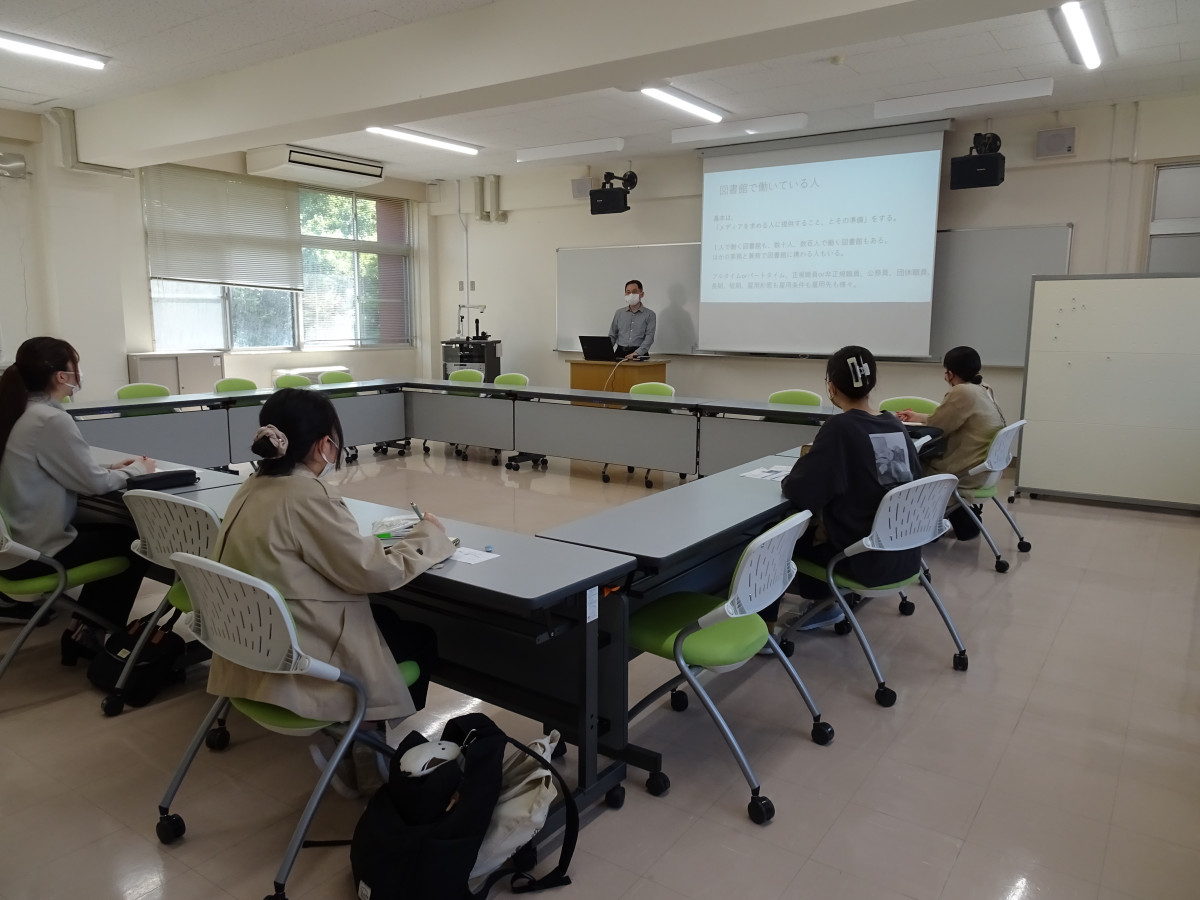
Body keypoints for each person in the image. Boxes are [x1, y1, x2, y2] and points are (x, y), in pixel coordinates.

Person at [208, 388, 455, 772]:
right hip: (302, 655)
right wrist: (429, 536)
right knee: (420, 638)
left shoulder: (250, 487)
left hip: (254, 646)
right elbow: (374, 572)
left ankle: (359, 739)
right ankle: (365, 745)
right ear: (324, 444)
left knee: (387, 621)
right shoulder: (307, 496)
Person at [0, 336, 154, 662]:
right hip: (35, 556)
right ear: (61, 376)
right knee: (133, 539)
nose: (77, 376)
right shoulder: (50, 419)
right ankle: (89, 634)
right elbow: (94, 485)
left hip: (12, 551)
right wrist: (139, 468)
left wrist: (111, 466)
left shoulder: (16, 412)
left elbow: (50, 467)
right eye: (75, 368)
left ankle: (84, 630)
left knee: (111, 532)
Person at [761, 345, 922, 637]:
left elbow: (802, 491)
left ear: (831, 387)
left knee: (771, 537)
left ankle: (764, 632)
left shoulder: (841, 428)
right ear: (871, 383)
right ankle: (824, 605)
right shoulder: (894, 424)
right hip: (903, 552)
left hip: (861, 560)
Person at [896, 346, 1005, 539]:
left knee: (913, 462)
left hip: (966, 471)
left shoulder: (962, 392)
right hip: (986, 468)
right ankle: (959, 519)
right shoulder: (983, 389)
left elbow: (937, 428)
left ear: (950, 373)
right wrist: (918, 416)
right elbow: (946, 419)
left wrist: (912, 423)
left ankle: (920, 527)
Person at [608, 279, 657, 359]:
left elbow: (649, 337)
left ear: (642, 294)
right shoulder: (619, 313)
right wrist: (606, 352)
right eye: (628, 292)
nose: (631, 295)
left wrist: (637, 353)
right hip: (620, 352)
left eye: (634, 292)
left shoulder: (650, 314)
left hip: (640, 353)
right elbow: (612, 335)